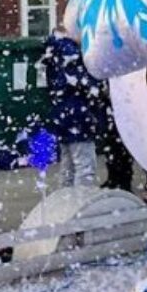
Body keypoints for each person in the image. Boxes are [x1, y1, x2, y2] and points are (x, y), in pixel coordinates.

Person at [42, 26, 102, 187]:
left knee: (68, 164)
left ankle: (66, 202)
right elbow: (87, 84)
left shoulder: (55, 49)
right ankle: (81, 204)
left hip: (63, 111)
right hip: (78, 112)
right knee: (84, 165)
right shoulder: (72, 52)